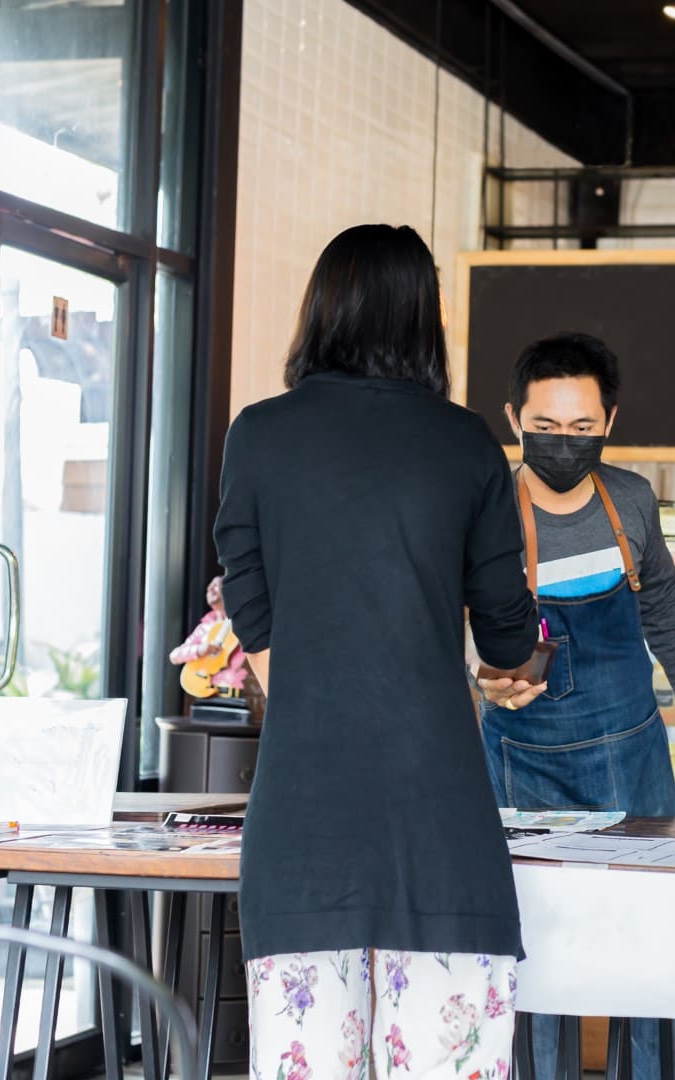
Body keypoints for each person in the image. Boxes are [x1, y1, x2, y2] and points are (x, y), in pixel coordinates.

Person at [215, 224, 540, 1076]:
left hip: (300, 821)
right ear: (424, 318)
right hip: (439, 821)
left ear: (321, 308)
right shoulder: (465, 442)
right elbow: (507, 629)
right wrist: (509, 669)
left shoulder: (258, 435)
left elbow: (254, 611)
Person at [476, 331, 675, 1080]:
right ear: (514, 418)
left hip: (631, 752)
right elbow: (449, 619)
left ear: (609, 422)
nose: (562, 444)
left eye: (580, 429)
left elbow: (665, 610)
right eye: (545, 427)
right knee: (536, 954)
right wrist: (480, 678)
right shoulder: (485, 507)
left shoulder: (631, 500)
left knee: (647, 947)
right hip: (519, 760)